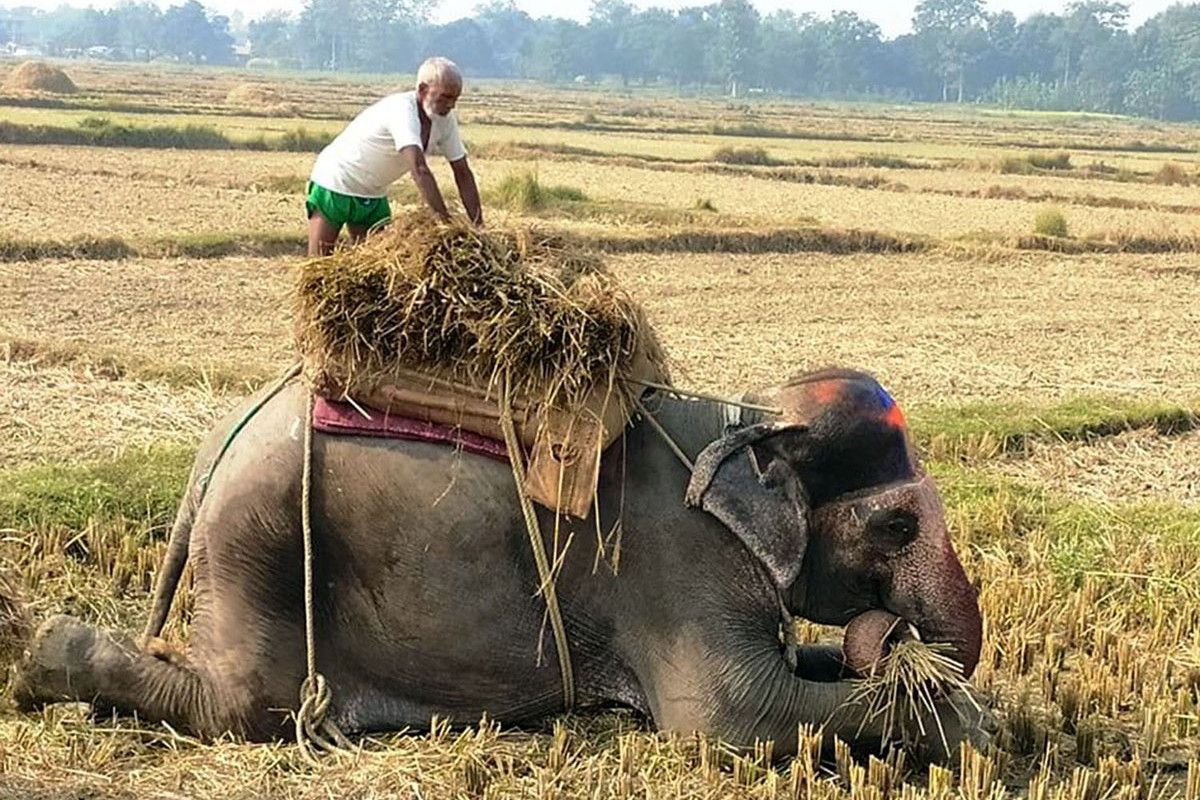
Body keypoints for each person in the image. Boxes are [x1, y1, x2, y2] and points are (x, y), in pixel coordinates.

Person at [305, 56, 483, 256]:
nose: (451, 105)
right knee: (319, 265)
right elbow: (419, 169)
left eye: (455, 99)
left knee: (374, 268)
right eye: (445, 98)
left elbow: (462, 173)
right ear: (423, 90)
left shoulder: (444, 119)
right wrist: (446, 225)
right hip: (335, 182)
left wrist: (478, 229)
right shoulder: (402, 110)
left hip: (373, 194)